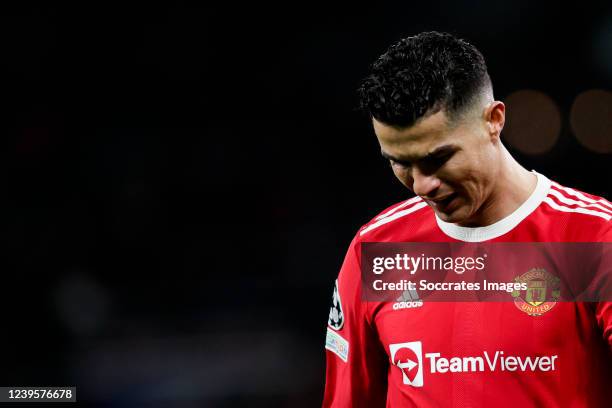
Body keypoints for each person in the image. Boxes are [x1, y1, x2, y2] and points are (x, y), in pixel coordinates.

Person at [323, 31, 612, 407]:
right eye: (400, 163)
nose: (421, 185)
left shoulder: (593, 239)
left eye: (438, 159)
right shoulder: (378, 251)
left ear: (494, 120)